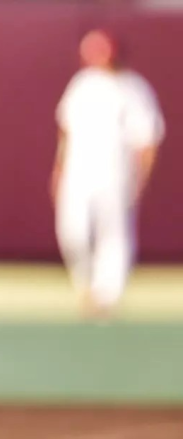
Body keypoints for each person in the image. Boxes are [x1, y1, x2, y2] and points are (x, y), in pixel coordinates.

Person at [50, 28, 165, 320]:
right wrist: (58, 169)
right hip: (79, 173)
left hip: (116, 175)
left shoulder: (134, 89)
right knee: (72, 232)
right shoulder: (82, 84)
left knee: (113, 235)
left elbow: (147, 139)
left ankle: (107, 295)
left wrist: (141, 178)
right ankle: (86, 284)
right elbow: (65, 132)